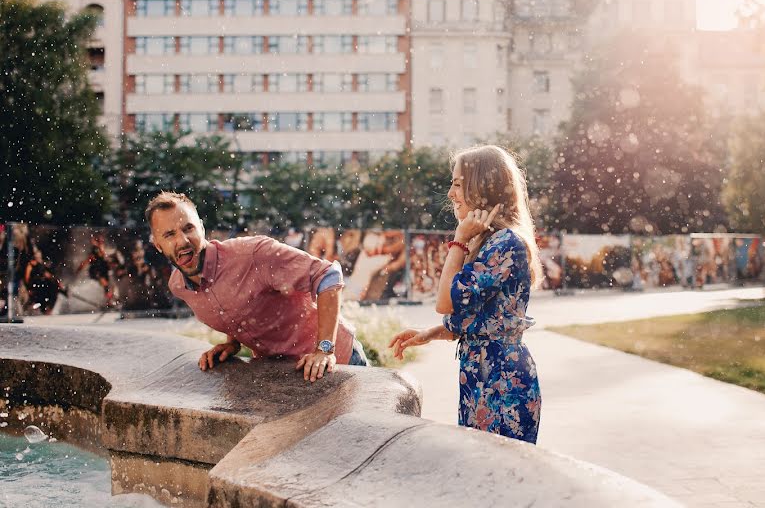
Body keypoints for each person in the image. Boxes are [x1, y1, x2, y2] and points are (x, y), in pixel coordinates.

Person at [389, 145, 542, 444]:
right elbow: (479, 315)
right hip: (484, 378)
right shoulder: (490, 242)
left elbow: (444, 301)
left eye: (458, 184)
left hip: (502, 383)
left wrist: (459, 240)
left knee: (495, 476)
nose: (450, 193)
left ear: (483, 186)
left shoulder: (506, 244)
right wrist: (431, 333)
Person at [145, 191, 368, 381]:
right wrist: (232, 344)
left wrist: (324, 350)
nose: (182, 240)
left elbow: (327, 275)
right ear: (158, 245)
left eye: (188, 228)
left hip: (336, 362)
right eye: (169, 234)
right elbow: (238, 303)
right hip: (282, 374)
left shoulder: (253, 254)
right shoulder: (178, 286)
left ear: (202, 228)